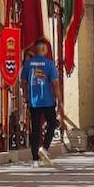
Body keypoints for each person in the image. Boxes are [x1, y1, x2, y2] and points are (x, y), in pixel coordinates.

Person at [22, 39, 60, 167]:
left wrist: (26, 97)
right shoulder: (49, 64)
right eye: (46, 48)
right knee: (52, 124)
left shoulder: (27, 65)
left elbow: (24, 83)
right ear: (43, 49)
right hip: (48, 100)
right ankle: (44, 148)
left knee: (35, 129)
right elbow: (55, 83)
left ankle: (35, 160)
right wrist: (59, 99)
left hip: (34, 101)